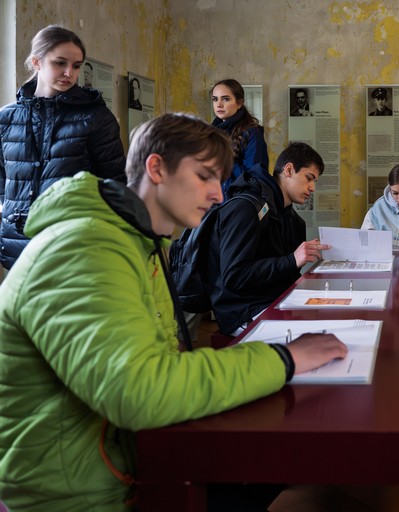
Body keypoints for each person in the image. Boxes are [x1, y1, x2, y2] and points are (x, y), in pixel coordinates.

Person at [0, 113, 347, 511]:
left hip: (133, 453)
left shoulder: (139, 242)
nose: (218, 195)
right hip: (83, 490)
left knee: (276, 460)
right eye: (204, 177)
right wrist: (285, 358)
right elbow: (138, 393)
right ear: (156, 168)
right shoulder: (84, 248)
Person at [0, 25, 125, 270]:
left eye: (76, 66)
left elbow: (115, 184)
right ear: (36, 62)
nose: (69, 72)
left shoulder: (96, 118)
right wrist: (9, 212)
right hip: (16, 249)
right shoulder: (6, 119)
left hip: (74, 248)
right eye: (60, 63)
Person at [203, 142, 330, 336]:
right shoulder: (246, 208)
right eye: (309, 178)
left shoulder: (294, 221)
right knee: (317, 336)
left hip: (277, 300)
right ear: (289, 170)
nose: (312, 188)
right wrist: (292, 260)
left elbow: (286, 275)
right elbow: (234, 276)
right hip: (244, 310)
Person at [211, 78, 269, 199]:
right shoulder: (212, 133)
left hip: (239, 204)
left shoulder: (252, 134)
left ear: (239, 103)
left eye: (225, 99)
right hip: (215, 204)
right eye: (215, 99)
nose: (219, 104)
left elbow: (254, 180)